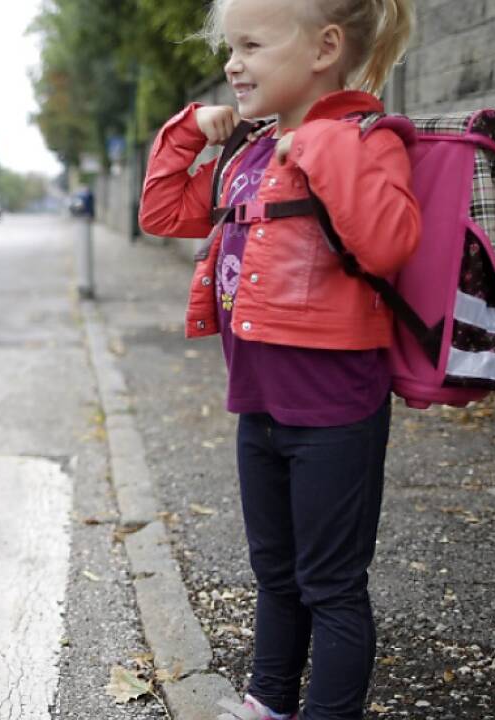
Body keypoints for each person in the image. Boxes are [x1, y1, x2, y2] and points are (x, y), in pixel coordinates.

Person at [137, 1, 418, 719]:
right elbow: (164, 214)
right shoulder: (248, 154)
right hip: (258, 404)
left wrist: (319, 146)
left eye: (252, 45)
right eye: (231, 47)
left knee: (331, 583)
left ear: (325, 48)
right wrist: (183, 133)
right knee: (275, 573)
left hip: (335, 411)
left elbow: (388, 242)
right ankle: (269, 702)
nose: (233, 63)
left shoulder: (368, 139)